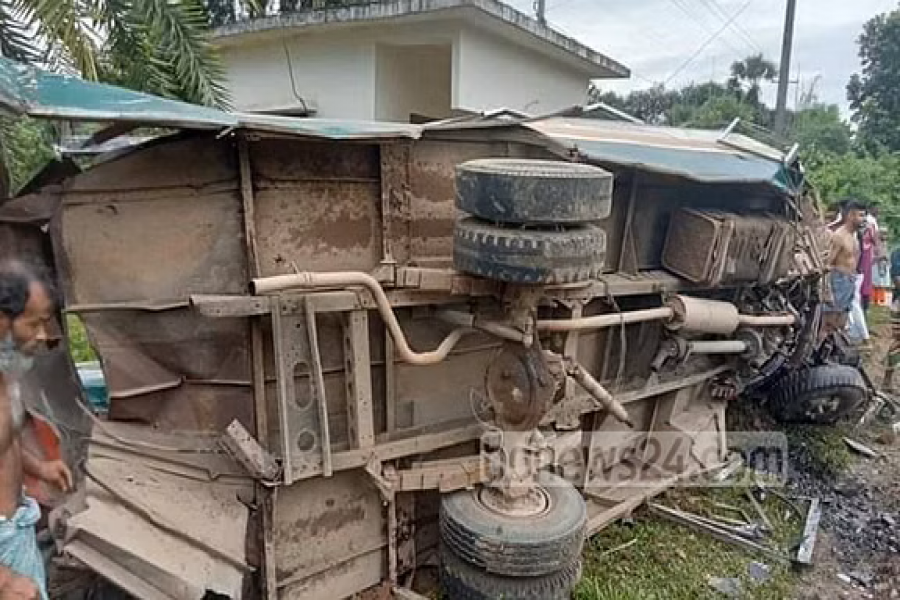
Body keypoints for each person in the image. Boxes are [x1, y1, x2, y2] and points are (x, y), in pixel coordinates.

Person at [0, 261, 72, 600]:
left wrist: (40, 467)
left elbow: (6, 443)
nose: (43, 336)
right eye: (34, 323)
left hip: (15, 534)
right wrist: (4, 580)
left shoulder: (6, 377)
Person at [823, 200, 865, 340]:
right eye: (860, 215)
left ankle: (834, 347)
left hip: (849, 281)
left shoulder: (854, 237)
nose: (863, 219)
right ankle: (820, 347)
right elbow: (828, 263)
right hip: (838, 280)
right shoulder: (839, 236)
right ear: (850, 216)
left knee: (842, 320)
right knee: (830, 321)